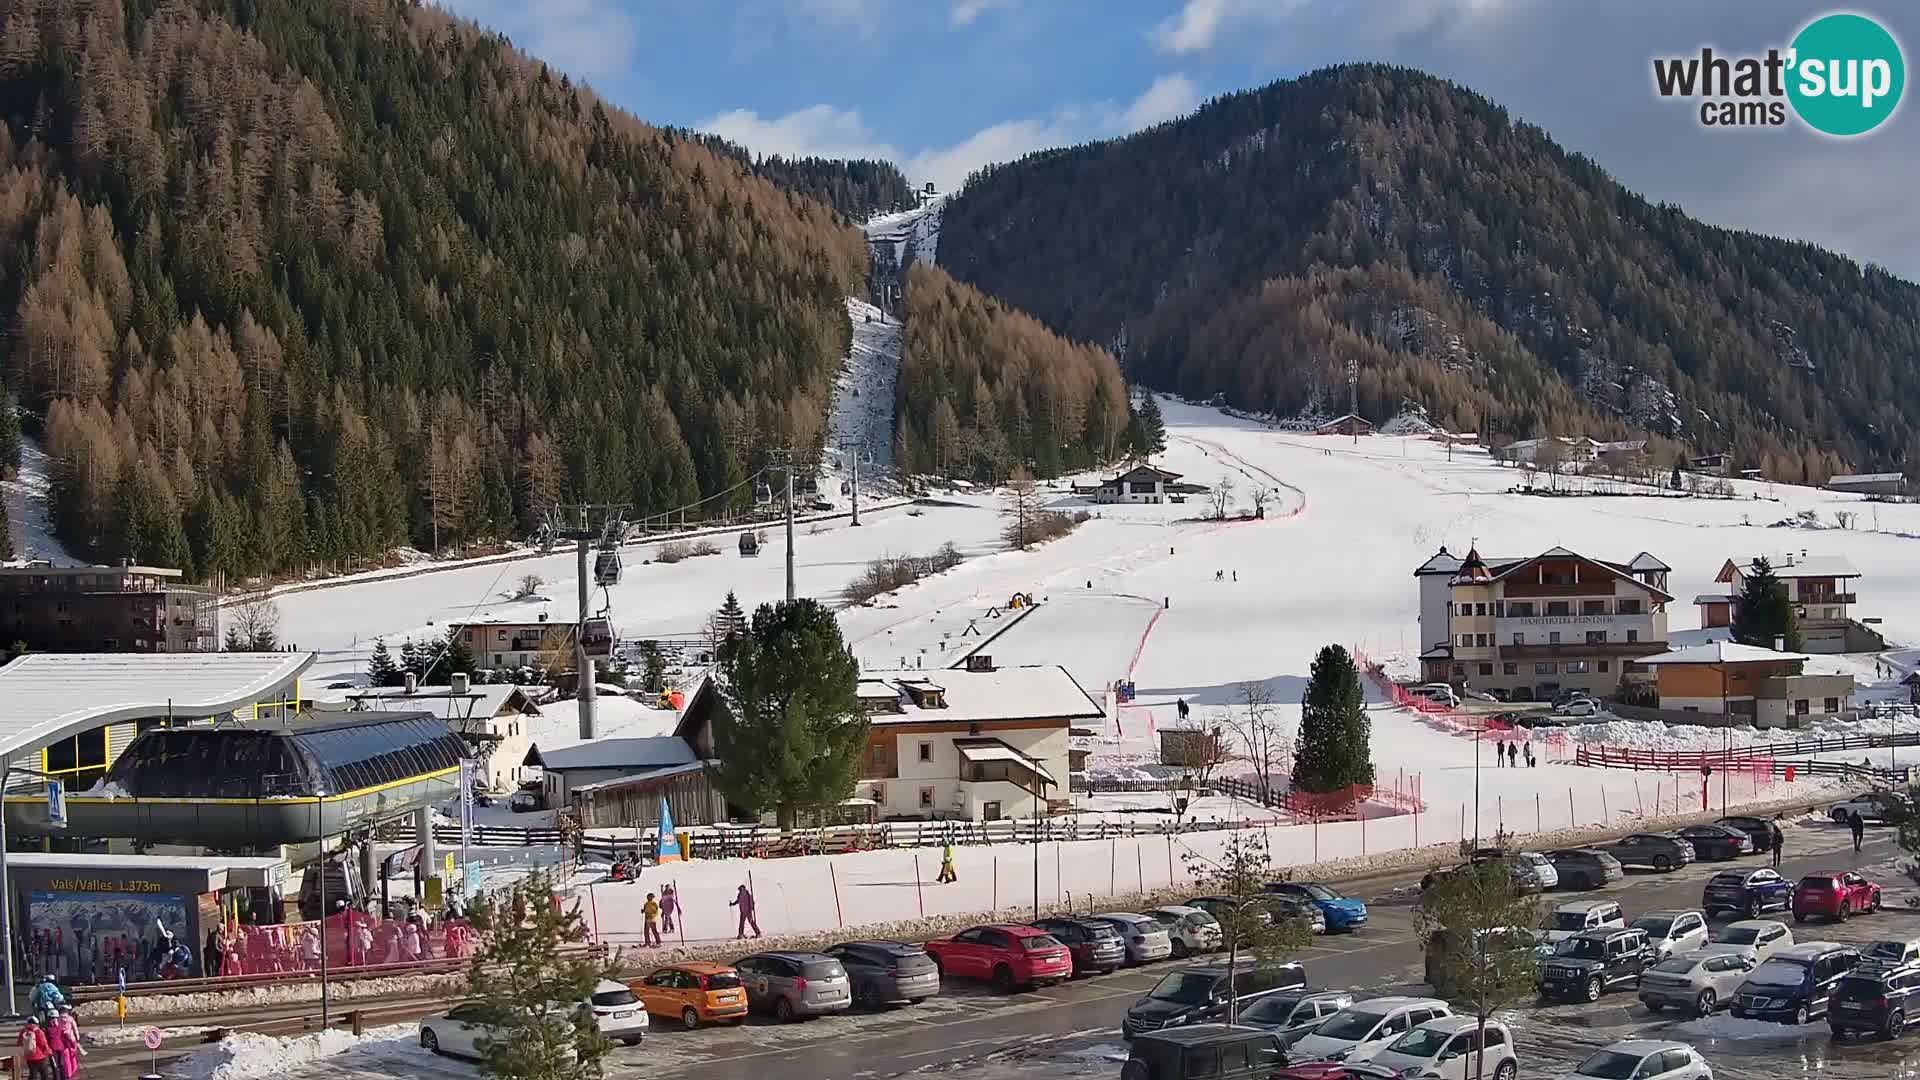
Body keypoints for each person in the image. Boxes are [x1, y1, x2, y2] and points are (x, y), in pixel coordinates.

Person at [18, 1015, 52, 1080]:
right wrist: (49, 1051)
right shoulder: (38, 1031)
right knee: (44, 1074)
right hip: (40, 1056)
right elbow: (43, 1043)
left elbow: (19, 1042)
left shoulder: (23, 1031)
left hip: (29, 1056)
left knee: (33, 1074)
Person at [52, 1008, 82, 1080]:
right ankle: (74, 1071)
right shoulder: (70, 1019)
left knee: (66, 1057)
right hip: (71, 1039)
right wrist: (77, 1037)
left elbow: (56, 1029)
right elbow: (75, 1029)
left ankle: (68, 1073)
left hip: (63, 1040)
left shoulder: (58, 1019)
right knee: (73, 1056)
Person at [42, 1007, 71, 1080]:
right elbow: (63, 1037)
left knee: (56, 1066)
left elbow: (45, 1040)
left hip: (54, 1049)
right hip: (58, 1048)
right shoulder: (59, 1027)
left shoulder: (47, 1028)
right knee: (60, 1065)